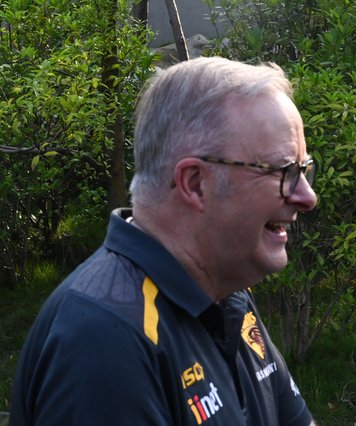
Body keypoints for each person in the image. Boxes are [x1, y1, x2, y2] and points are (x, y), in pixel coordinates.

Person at [10, 57, 318, 426]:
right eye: (284, 171)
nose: (307, 196)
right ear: (194, 183)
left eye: (303, 170)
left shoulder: (228, 294)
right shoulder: (104, 341)